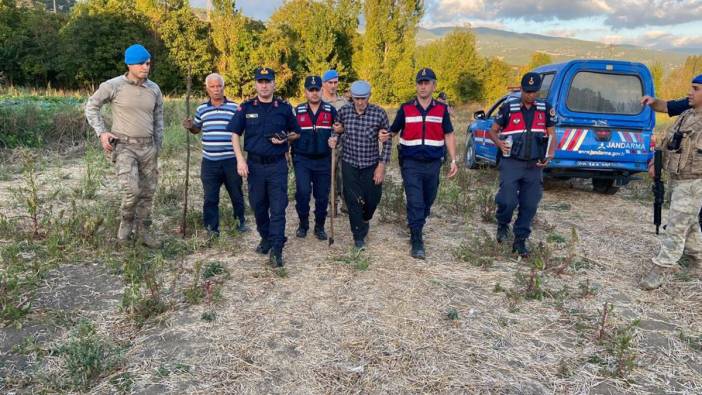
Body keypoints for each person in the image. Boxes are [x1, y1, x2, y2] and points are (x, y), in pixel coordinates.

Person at [85, 43, 163, 248]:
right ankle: (126, 223)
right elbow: (91, 107)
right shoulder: (113, 86)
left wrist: (157, 149)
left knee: (148, 193)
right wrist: (102, 132)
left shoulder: (154, 89)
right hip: (124, 147)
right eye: (141, 64)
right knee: (132, 191)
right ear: (129, 65)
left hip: (148, 147)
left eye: (148, 63)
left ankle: (144, 231)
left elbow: (158, 120)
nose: (146, 67)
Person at [227, 67, 301, 267]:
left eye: (268, 81)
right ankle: (266, 237)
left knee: (278, 208)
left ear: (274, 83)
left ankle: (276, 248)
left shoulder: (284, 108)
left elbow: (296, 132)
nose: (264, 85)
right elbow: (234, 133)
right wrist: (240, 160)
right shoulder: (246, 107)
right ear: (256, 84)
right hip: (255, 166)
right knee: (258, 206)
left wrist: (286, 138)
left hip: (277, 166)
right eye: (261, 81)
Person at [385, 68, 458, 259]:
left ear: (434, 85)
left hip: (434, 163)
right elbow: (393, 131)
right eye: (420, 83)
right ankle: (416, 238)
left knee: (429, 199)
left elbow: (448, 134)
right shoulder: (406, 108)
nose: (423, 86)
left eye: (427, 82)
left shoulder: (441, 110)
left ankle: (418, 222)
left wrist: (453, 160)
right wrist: (384, 135)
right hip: (411, 163)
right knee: (415, 201)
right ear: (416, 85)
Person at [640, 74, 702, 290]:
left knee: (676, 225)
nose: (689, 93)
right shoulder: (686, 114)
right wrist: (655, 164)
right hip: (679, 178)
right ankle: (697, 261)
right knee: (690, 222)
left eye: (695, 89)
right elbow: (671, 143)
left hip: (695, 182)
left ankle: (661, 268)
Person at [488, 72, 557, 257]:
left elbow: (552, 134)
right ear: (521, 89)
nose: (530, 95)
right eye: (527, 91)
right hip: (512, 162)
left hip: (534, 165)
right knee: (507, 200)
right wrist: (499, 143)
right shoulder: (508, 107)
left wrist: (549, 155)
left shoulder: (545, 109)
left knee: (530, 204)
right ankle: (503, 224)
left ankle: (520, 241)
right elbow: (492, 131)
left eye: (534, 92)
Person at [182, 73, 249, 237]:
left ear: (223, 87)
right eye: (212, 86)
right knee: (210, 197)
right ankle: (212, 229)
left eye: (219, 86)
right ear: (207, 89)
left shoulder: (235, 108)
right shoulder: (201, 109)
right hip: (210, 162)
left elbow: (241, 129)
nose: (216, 89)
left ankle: (239, 222)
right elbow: (197, 129)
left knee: (236, 194)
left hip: (231, 160)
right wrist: (190, 126)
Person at [330, 80, 391, 251]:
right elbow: (335, 129)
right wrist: (334, 137)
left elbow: (388, 140)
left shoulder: (379, 113)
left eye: (363, 98)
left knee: (373, 199)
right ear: (352, 97)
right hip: (349, 163)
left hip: (371, 163)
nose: (360, 102)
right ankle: (358, 237)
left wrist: (381, 166)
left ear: (369, 96)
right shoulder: (344, 111)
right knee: (352, 201)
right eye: (357, 98)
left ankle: (365, 220)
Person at [291, 75, 338, 240]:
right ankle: (303, 224)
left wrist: (335, 138)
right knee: (303, 193)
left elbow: (338, 130)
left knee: (322, 196)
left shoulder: (330, 111)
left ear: (321, 90)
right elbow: (290, 133)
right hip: (302, 159)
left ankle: (319, 226)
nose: (314, 93)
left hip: (324, 160)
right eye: (310, 90)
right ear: (305, 92)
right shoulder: (297, 111)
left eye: (317, 89)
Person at [321, 69, 349, 216]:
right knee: (330, 176)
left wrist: (341, 128)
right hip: (326, 146)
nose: (333, 85)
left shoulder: (344, 102)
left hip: (343, 145)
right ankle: (332, 207)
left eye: (335, 82)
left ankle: (346, 205)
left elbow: (349, 123)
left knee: (344, 176)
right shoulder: (318, 101)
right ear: (323, 84)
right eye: (330, 82)